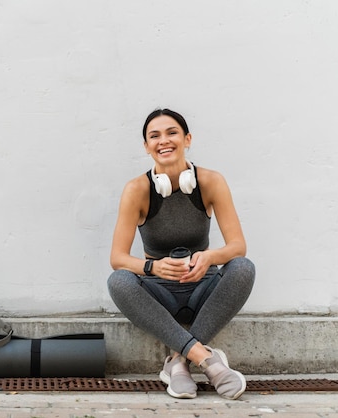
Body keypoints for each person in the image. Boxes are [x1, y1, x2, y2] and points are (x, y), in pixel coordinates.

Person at [107, 108, 255, 400]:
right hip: (160, 293)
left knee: (243, 267)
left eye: (172, 133)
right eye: (155, 136)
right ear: (147, 146)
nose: (164, 141)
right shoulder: (137, 189)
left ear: (187, 139)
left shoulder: (211, 181)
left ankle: (178, 362)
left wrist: (210, 258)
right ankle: (208, 361)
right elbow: (118, 258)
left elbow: (238, 246)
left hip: (204, 289)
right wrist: (153, 268)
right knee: (119, 281)